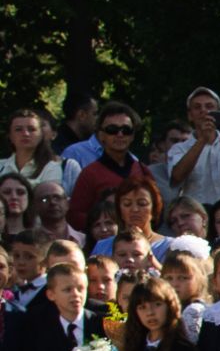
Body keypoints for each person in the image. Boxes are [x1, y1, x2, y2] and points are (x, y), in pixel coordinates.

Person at [68, 102, 150, 230]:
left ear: (132, 136)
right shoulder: (89, 174)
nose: (120, 135)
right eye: (112, 130)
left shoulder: (142, 171)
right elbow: (75, 215)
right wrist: (102, 225)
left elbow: (157, 210)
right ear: (101, 135)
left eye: (126, 130)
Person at [90, 176, 173, 262]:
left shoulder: (169, 247)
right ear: (119, 210)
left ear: (154, 209)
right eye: (127, 204)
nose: (134, 209)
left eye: (142, 204)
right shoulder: (102, 247)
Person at [2, 108, 73, 193]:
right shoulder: (1, 166)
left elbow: (48, 201)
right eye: (18, 129)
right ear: (10, 136)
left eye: (31, 129)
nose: (25, 134)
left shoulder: (51, 168)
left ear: (40, 135)